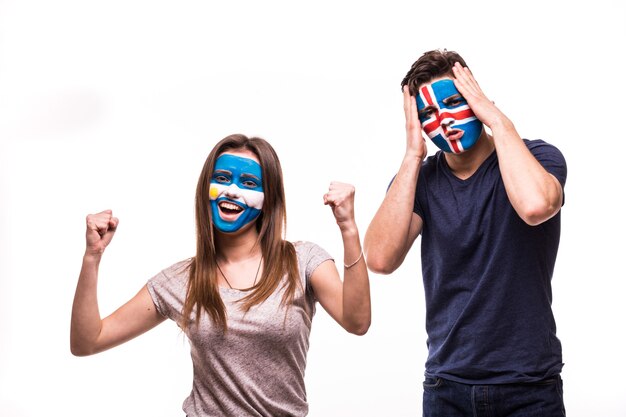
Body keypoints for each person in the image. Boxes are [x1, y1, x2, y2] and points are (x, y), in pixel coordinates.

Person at [70, 133, 371, 417]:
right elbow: (87, 341)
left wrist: (348, 228)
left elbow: (357, 321)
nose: (231, 190)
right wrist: (92, 256)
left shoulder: (302, 261)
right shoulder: (181, 280)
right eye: (223, 179)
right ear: (206, 189)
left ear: (269, 198)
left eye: (249, 182)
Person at [364, 49, 567, 416]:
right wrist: (412, 155)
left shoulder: (538, 157)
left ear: (477, 97)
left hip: (530, 385)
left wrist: (496, 119)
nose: (444, 120)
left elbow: (536, 206)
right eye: (428, 114)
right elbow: (379, 259)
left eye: (455, 102)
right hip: (447, 387)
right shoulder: (419, 181)